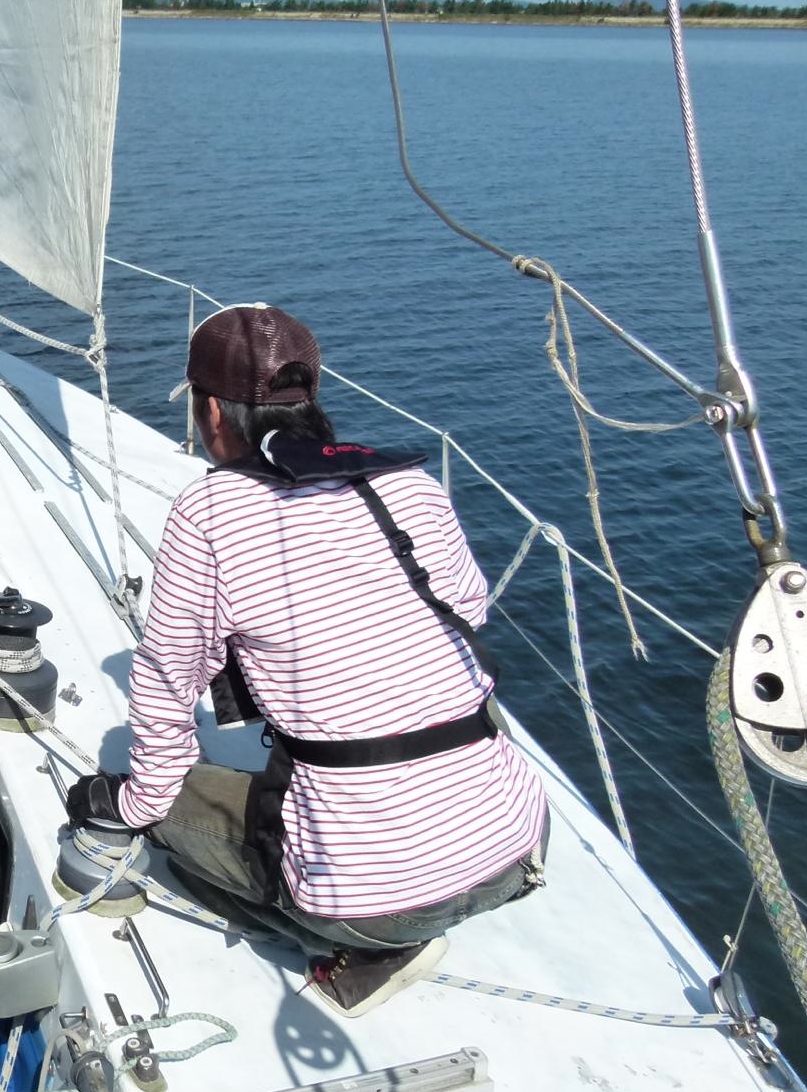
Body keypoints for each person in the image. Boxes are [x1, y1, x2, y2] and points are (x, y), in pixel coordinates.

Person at [66, 304, 548, 1018]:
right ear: (310, 396)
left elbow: (167, 682)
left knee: (166, 815)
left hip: (373, 903)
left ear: (212, 414)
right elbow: (465, 618)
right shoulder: (412, 486)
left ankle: (355, 948)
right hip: (520, 844)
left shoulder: (210, 512)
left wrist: (132, 803)